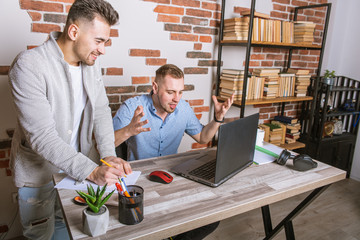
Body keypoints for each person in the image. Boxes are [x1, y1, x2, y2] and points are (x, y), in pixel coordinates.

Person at [8, 0, 131, 239]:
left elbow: (102, 110)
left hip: (76, 174)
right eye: (99, 41)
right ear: (74, 32)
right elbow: (42, 138)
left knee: (69, 231)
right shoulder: (29, 65)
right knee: (41, 235)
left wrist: (107, 156)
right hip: (39, 177)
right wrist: (93, 172)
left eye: (105, 42)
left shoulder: (91, 64)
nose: (103, 50)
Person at [113, 64, 234, 239]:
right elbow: (104, 144)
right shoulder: (132, 107)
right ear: (155, 87)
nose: (176, 99)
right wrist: (129, 131)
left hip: (170, 176)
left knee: (211, 218)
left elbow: (202, 138)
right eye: (170, 92)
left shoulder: (183, 108)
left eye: (180, 92)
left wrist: (217, 118)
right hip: (140, 182)